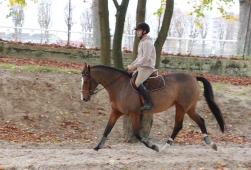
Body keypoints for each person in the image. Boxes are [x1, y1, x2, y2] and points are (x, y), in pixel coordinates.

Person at [127, 22, 156, 111]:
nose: (137, 32)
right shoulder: (142, 42)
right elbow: (138, 57)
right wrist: (131, 65)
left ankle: (149, 103)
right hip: (142, 67)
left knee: (138, 82)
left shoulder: (147, 42)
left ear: (144, 31)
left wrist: (134, 66)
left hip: (147, 67)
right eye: (137, 30)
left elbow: (145, 58)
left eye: (139, 30)